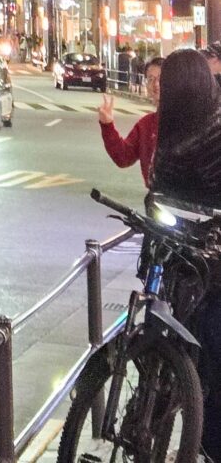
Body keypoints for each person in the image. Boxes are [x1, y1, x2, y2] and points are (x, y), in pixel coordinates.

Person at [148, 48, 221, 463]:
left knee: (213, 351)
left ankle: (209, 445)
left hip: (212, 268)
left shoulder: (214, 128)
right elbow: (160, 188)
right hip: (182, 257)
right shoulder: (172, 127)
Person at [97, 57, 161, 185]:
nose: (156, 84)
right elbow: (124, 157)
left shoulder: (187, 120)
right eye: (151, 79)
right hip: (156, 200)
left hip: (185, 201)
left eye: (161, 78)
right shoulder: (146, 125)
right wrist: (107, 125)